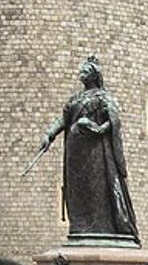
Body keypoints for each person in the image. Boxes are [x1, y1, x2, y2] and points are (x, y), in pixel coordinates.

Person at [40, 56, 140, 241]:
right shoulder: (75, 99)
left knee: (97, 188)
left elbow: (114, 120)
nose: (81, 75)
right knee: (78, 188)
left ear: (94, 76)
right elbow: (64, 119)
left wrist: (101, 129)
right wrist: (49, 134)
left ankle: (102, 227)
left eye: (85, 72)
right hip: (76, 151)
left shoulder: (104, 98)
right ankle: (81, 227)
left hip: (97, 151)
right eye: (81, 72)